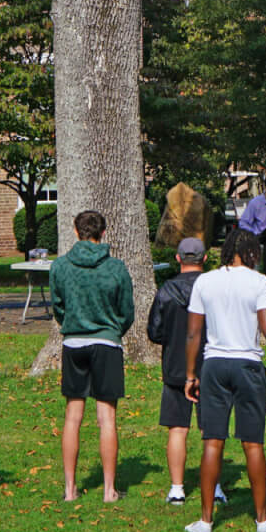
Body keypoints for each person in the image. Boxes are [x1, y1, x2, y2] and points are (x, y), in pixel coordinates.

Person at [183, 230, 266, 532]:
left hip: (214, 365)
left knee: (212, 441)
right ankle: (262, 520)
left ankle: (205, 521)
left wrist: (191, 374)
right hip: (248, 365)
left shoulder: (205, 281)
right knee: (253, 443)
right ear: (252, 253)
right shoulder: (260, 283)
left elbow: (193, 333)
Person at [49, 209, 134, 502]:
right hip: (107, 343)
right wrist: (113, 330)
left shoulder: (60, 267)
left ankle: (70, 488)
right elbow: (127, 311)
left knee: (73, 417)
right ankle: (109, 490)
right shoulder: (116, 268)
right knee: (106, 418)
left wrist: (72, 324)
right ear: (104, 233)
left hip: (74, 343)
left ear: (76, 232)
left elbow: (58, 307)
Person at [149, 237, 220, 505]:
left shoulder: (167, 290)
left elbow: (155, 331)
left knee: (177, 429)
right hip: (210, 364)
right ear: (204, 259)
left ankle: (177, 487)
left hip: (176, 366)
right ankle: (214, 486)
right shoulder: (213, 289)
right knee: (211, 431)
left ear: (178, 259)